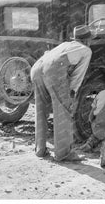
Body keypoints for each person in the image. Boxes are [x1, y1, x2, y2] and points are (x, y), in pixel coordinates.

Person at [31, 25, 92, 162]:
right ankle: (63, 153)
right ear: (87, 40)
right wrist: (71, 93)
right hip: (53, 72)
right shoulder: (86, 50)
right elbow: (78, 75)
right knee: (63, 112)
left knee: (40, 111)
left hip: (37, 68)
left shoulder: (65, 45)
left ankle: (40, 150)